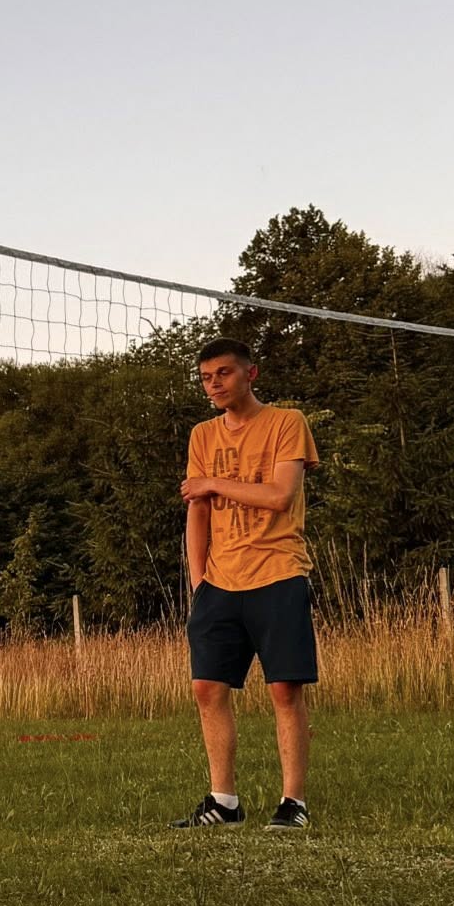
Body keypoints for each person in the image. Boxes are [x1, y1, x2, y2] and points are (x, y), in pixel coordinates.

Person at [172, 338, 320, 830]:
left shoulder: (286, 422)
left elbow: (280, 496)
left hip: (278, 570)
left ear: (250, 374)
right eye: (205, 378)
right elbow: (197, 512)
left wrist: (214, 483)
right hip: (220, 581)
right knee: (207, 687)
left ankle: (293, 803)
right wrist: (199, 581)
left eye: (224, 373)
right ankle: (224, 802)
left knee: (284, 689)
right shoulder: (202, 436)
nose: (214, 384)